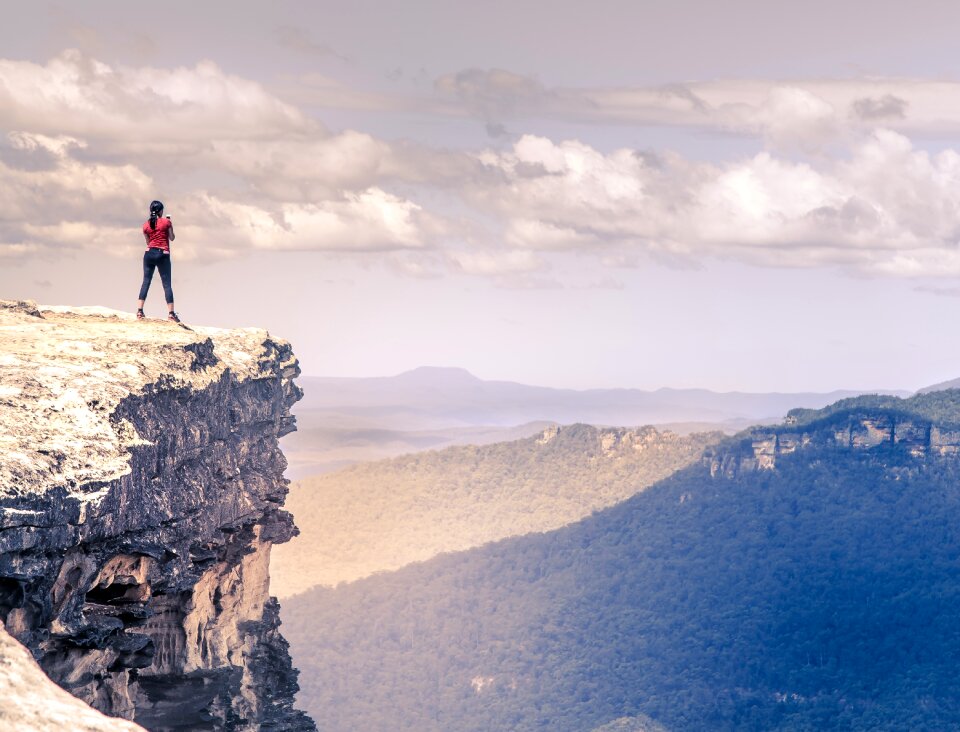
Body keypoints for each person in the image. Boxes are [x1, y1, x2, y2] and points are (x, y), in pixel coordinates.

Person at [136, 200, 180, 322]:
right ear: (161, 211)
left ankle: (140, 311)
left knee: (146, 281)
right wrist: (170, 224)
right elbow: (172, 238)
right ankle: (171, 314)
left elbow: (148, 242)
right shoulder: (166, 222)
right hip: (163, 254)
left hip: (149, 253)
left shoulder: (145, 225)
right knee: (166, 284)